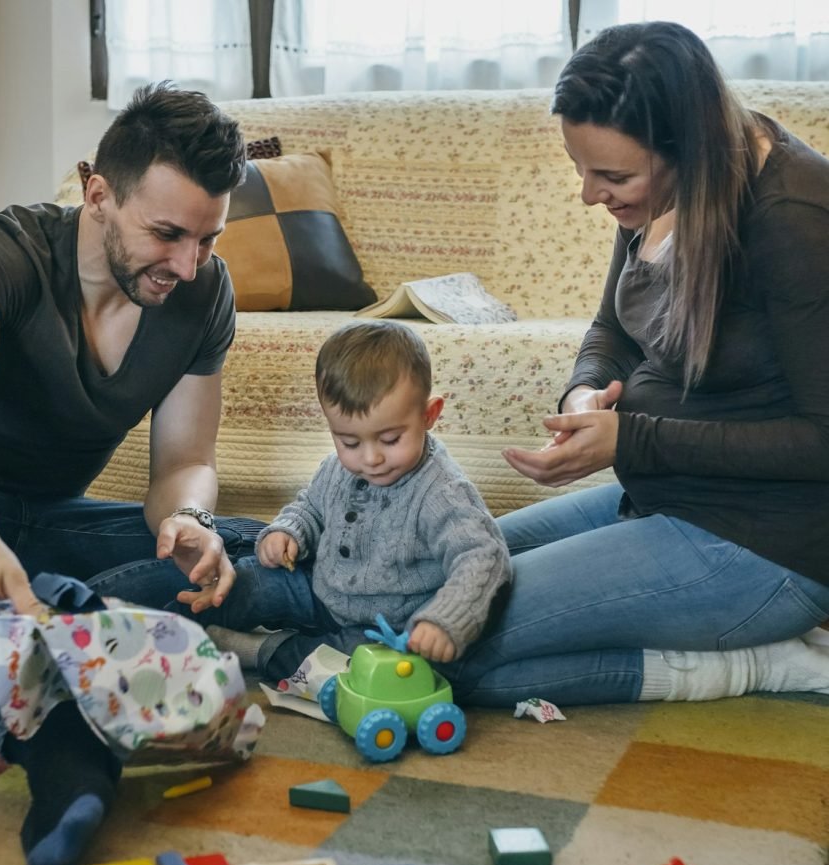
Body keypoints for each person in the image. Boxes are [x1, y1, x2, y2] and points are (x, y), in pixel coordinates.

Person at [0, 83, 262, 865]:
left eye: (208, 239)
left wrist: (191, 521)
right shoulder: (9, 249)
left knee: (253, 544)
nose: (188, 263)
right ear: (97, 193)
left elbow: (185, 464)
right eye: (167, 234)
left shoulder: (204, 295)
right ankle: (58, 741)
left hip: (47, 528)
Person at [441, 20, 829, 707]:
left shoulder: (795, 215)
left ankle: (757, 663)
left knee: (449, 645)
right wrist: (587, 390)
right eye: (580, 169)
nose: (591, 195)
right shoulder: (664, 196)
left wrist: (632, 437)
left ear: (689, 149)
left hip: (767, 546)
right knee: (436, 585)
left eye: (612, 175)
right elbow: (612, 329)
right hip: (657, 494)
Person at [173, 319, 512, 677]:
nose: (370, 459)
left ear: (429, 415)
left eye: (391, 439)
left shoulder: (441, 491)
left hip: (384, 630)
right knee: (249, 581)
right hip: (320, 592)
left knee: (343, 665)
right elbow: (310, 508)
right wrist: (287, 532)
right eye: (350, 442)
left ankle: (260, 650)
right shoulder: (337, 469)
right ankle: (171, 631)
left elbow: (484, 555)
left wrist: (445, 621)